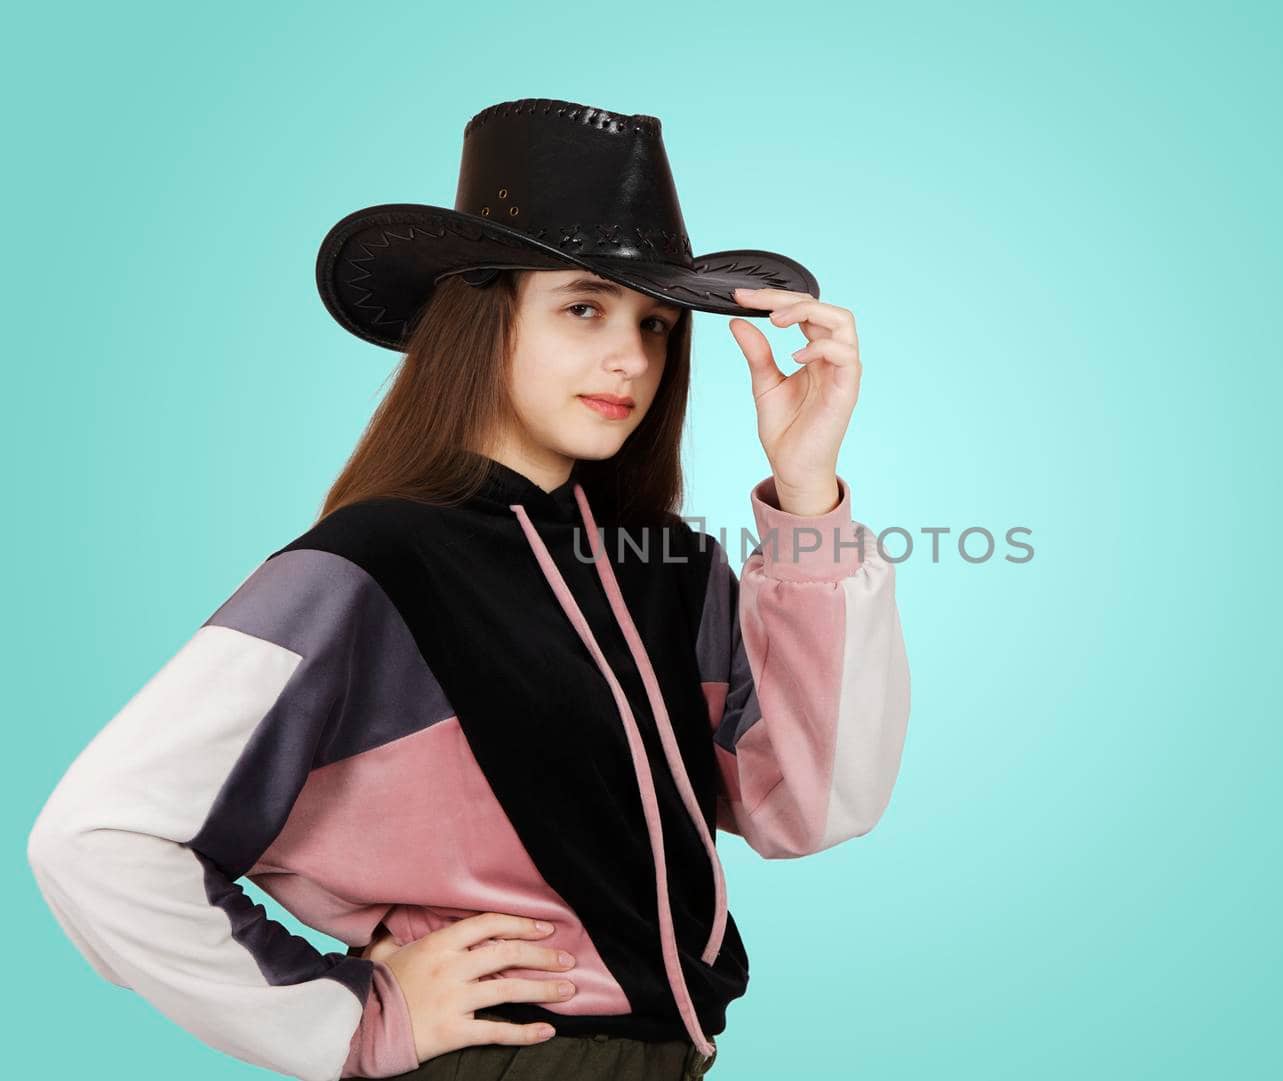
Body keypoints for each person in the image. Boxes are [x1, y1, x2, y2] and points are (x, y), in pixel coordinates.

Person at [25, 98, 910, 1081]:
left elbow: (811, 805)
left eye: (655, 324)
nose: (632, 357)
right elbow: (98, 838)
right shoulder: (368, 565)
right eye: (583, 308)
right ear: (486, 316)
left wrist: (807, 493)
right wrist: (354, 1016)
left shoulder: (671, 569)